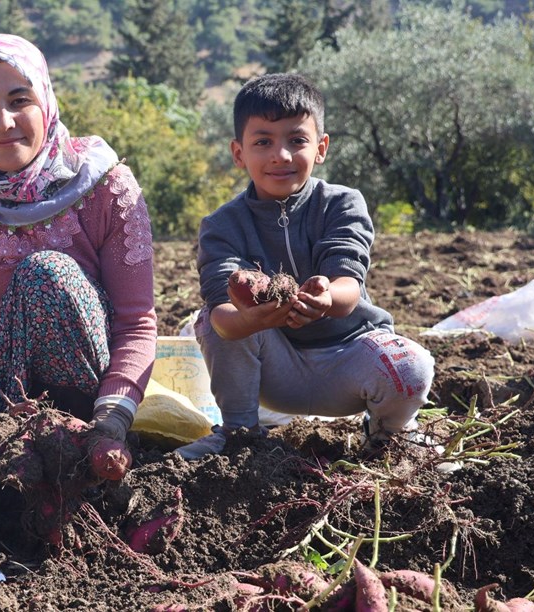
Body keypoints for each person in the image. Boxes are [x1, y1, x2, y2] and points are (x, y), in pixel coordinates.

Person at [0, 34, 158, 473]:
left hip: (94, 397)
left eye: (19, 100)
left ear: (45, 100)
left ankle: (78, 449)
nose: (3, 122)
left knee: (46, 275)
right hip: (5, 394)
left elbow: (136, 320)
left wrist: (113, 419)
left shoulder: (106, 185)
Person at [178, 72, 436, 460]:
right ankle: (239, 434)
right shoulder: (221, 225)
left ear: (321, 147)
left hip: (349, 360)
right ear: (238, 153)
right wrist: (257, 318)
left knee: (411, 367)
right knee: (209, 319)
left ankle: (390, 434)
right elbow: (224, 319)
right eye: (263, 141)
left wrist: (327, 296)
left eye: (297, 140)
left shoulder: (343, 204)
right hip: (276, 373)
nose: (281, 155)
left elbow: (348, 286)